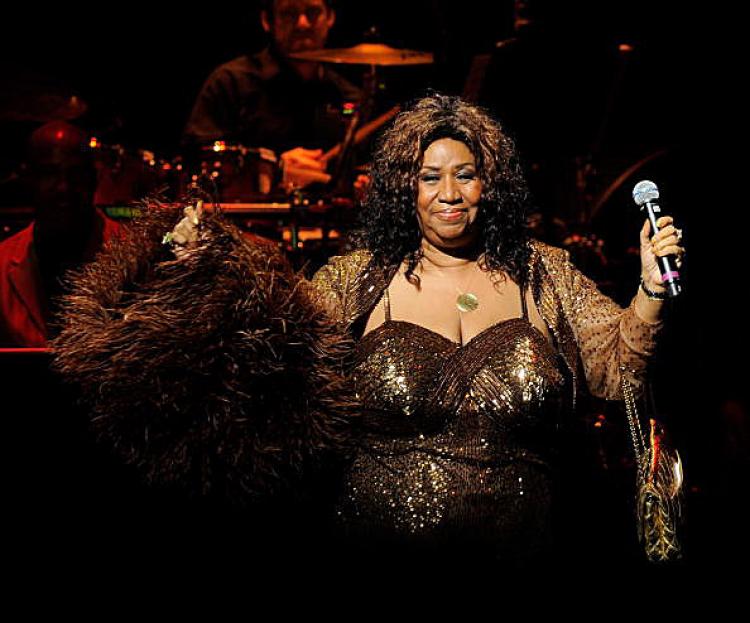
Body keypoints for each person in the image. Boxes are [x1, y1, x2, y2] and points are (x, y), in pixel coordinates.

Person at [51, 94, 685, 572]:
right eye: (429, 176)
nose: (449, 193)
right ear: (402, 189)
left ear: (490, 184)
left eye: (464, 174)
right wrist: (200, 263)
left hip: (523, 548)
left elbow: (616, 365)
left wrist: (651, 289)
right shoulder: (356, 281)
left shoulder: (542, 271)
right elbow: (262, 344)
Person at [183, 0, 361, 184]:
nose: (302, 23)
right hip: (248, 212)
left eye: (313, 12)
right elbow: (196, 160)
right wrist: (272, 170)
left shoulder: (346, 95)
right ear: (267, 21)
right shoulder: (231, 82)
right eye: (289, 13)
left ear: (330, 18)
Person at [0, 121, 124, 347]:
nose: (63, 187)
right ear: (29, 182)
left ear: (92, 180)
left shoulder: (135, 254)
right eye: (49, 174)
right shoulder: (1, 264)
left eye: (75, 174)